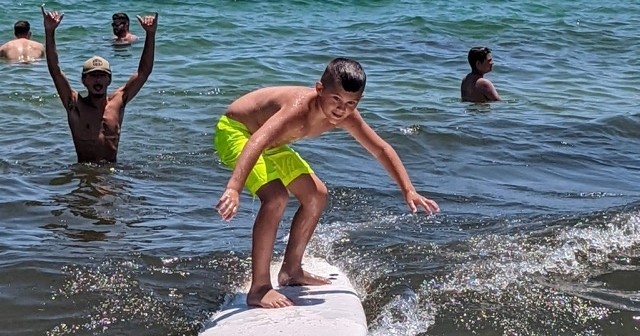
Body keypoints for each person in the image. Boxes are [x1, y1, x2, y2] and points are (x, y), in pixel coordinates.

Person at [214, 57, 440, 309]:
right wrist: (234, 188)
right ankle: (259, 288)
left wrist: (408, 189)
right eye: (336, 99)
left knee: (316, 195)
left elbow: (380, 149)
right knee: (276, 197)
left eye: (351, 103)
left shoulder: (347, 116)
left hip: (271, 144)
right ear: (319, 89)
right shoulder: (297, 110)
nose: (341, 109)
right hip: (237, 132)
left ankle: (291, 271)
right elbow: (257, 141)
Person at [41, 6, 157, 163]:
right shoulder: (75, 104)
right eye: (93, 76)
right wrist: (49, 31)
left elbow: (144, 72)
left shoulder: (118, 102)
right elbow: (55, 71)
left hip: (112, 172)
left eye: (102, 76)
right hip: (84, 171)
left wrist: (150, 34)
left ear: (109, 80)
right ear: (84, 80)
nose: (98, 80)